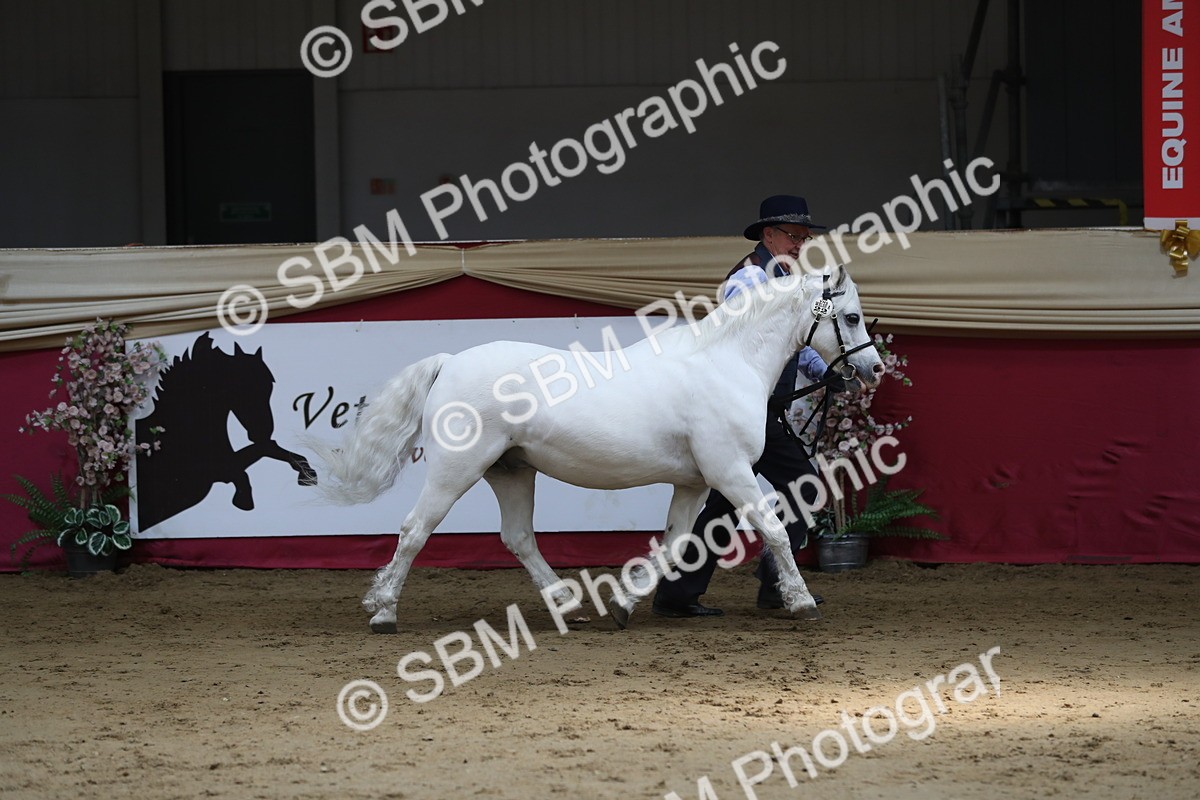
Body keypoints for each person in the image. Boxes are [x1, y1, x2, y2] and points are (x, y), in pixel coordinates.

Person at [651, 195, 846, 617]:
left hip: (759, 415)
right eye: (793, 236)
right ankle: (771, 583)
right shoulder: (747, 280)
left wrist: (823, 370)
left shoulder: (792, 279)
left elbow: (797, 339)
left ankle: (680, 593)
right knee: (801, 487)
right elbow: (748, 345)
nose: (799, 244)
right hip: (740, 415)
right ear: (768, 234)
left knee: (731, 502)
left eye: (804, 238)